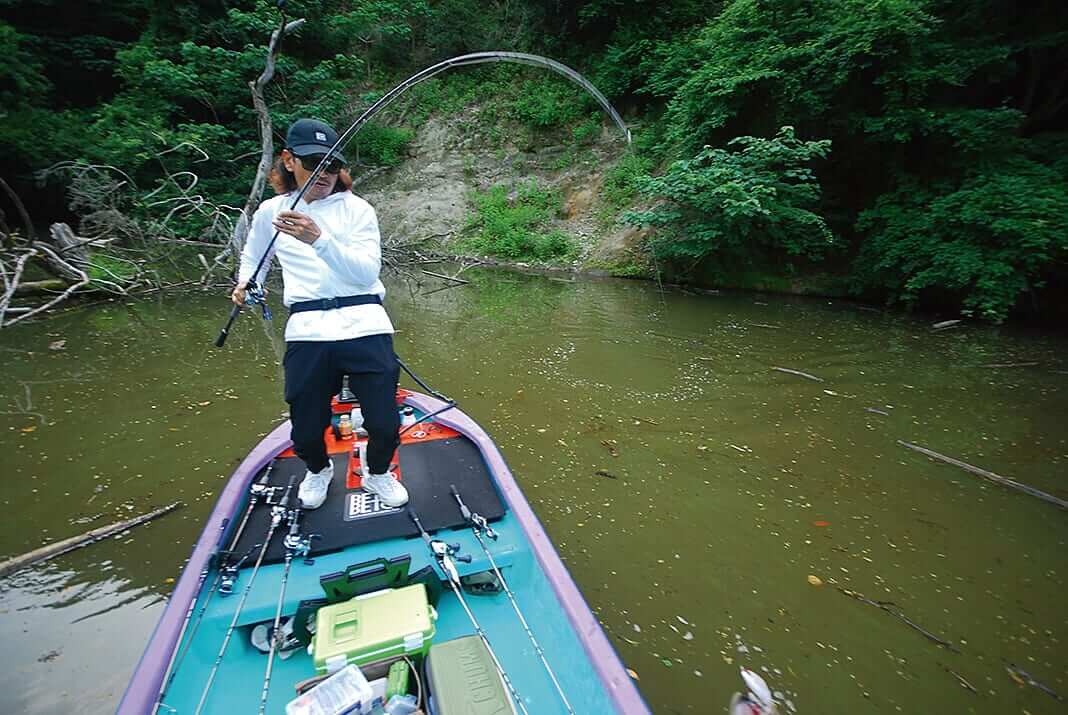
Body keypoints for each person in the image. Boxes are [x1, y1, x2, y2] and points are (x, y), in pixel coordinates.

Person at [232, 118, 408, 510]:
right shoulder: (270, 212)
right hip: (307, 330)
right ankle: (319, 469)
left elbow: (365, 272)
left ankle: (376, 472)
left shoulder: (358, 210)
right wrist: (247, 282)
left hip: (365, 324)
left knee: (383, 424)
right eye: (314, 163)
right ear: (289, 160)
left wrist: (317, 239)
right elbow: (254, 256)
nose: (325, 173)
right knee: (306, 432)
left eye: (332, 164)